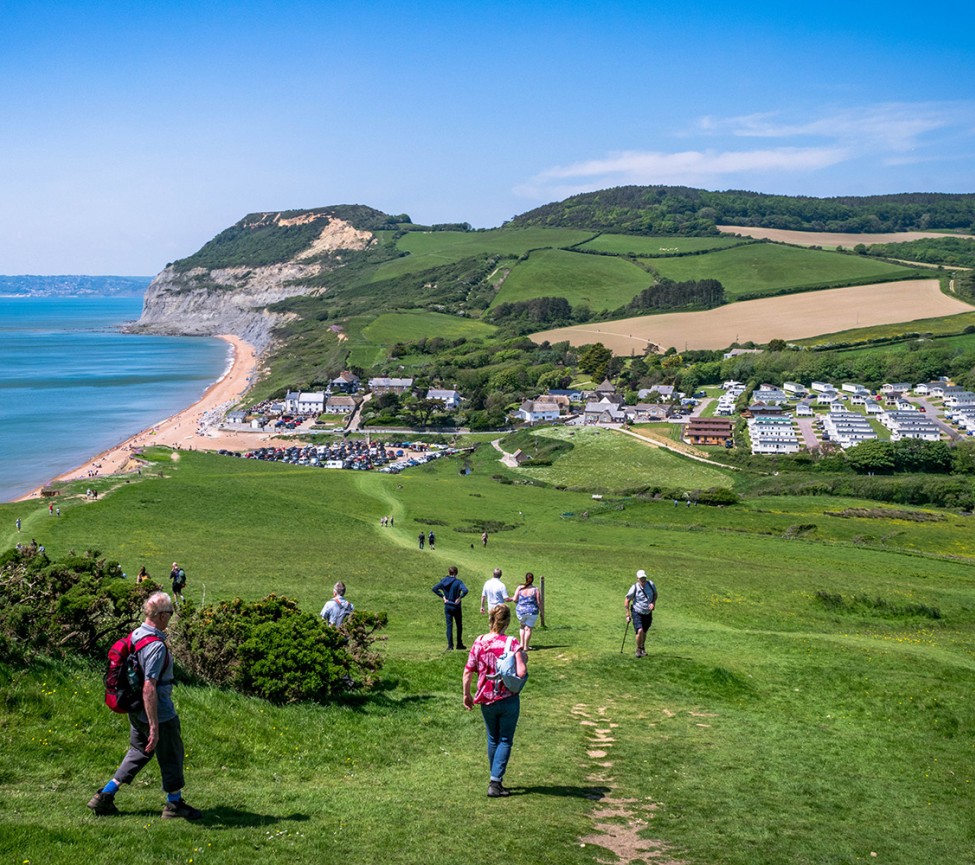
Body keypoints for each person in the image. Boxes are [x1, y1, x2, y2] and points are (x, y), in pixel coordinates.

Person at [87, 591, 202, 820]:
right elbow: (149, 686)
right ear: (160, 616)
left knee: (139, 751)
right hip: (157, 711)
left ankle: (105, 795)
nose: (170, 617)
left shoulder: (136, 634)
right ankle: (174, 805)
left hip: (135, 708)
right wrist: (154, 726)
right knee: (171, 754)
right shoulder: (156, 646)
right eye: (169, 613)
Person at [463, 604, 527, 797]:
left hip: (485, 697)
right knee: (505, 739)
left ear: (491, 619)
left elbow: (468, 671)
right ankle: (495, 782)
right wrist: (524, 658)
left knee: (493, 738)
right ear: (507, 622)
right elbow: (521, 671)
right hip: (508, 698)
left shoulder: (479, 641)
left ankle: (495, 779)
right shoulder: (512, 643)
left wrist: (467, 695)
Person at [432, 566, 469, 650]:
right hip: (456, 606)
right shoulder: (458, 582)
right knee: (459, 625)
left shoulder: (443, 581)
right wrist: (460, 597)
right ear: (456, 573)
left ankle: (450, 645)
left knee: (449, 626)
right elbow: (465, 590)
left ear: (449, 572)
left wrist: (443, 597)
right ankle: (459, 644)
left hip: (448, 605)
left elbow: (434, 588)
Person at [624, 569, 658, 658]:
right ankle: (638, 649)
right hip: (637, 611)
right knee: (640, 630)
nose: (643, 580)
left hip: (647, 613)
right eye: (641, 579)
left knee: (644, 631)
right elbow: (627, 600)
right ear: (637, 579)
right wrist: (627, 615)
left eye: (644, 578)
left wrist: (653, 603)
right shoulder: (634, 588)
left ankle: (642, 648)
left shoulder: (651, 585)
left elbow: (655, 594)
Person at [513, 572, 542, 651]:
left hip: (521, 611)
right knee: (528, 629)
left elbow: (515, 599)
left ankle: (521, 644)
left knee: (522, 626)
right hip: (532, 611)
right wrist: (541, 611)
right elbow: (539, 602)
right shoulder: (535, 589)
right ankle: (526, 646)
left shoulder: (520, 588)